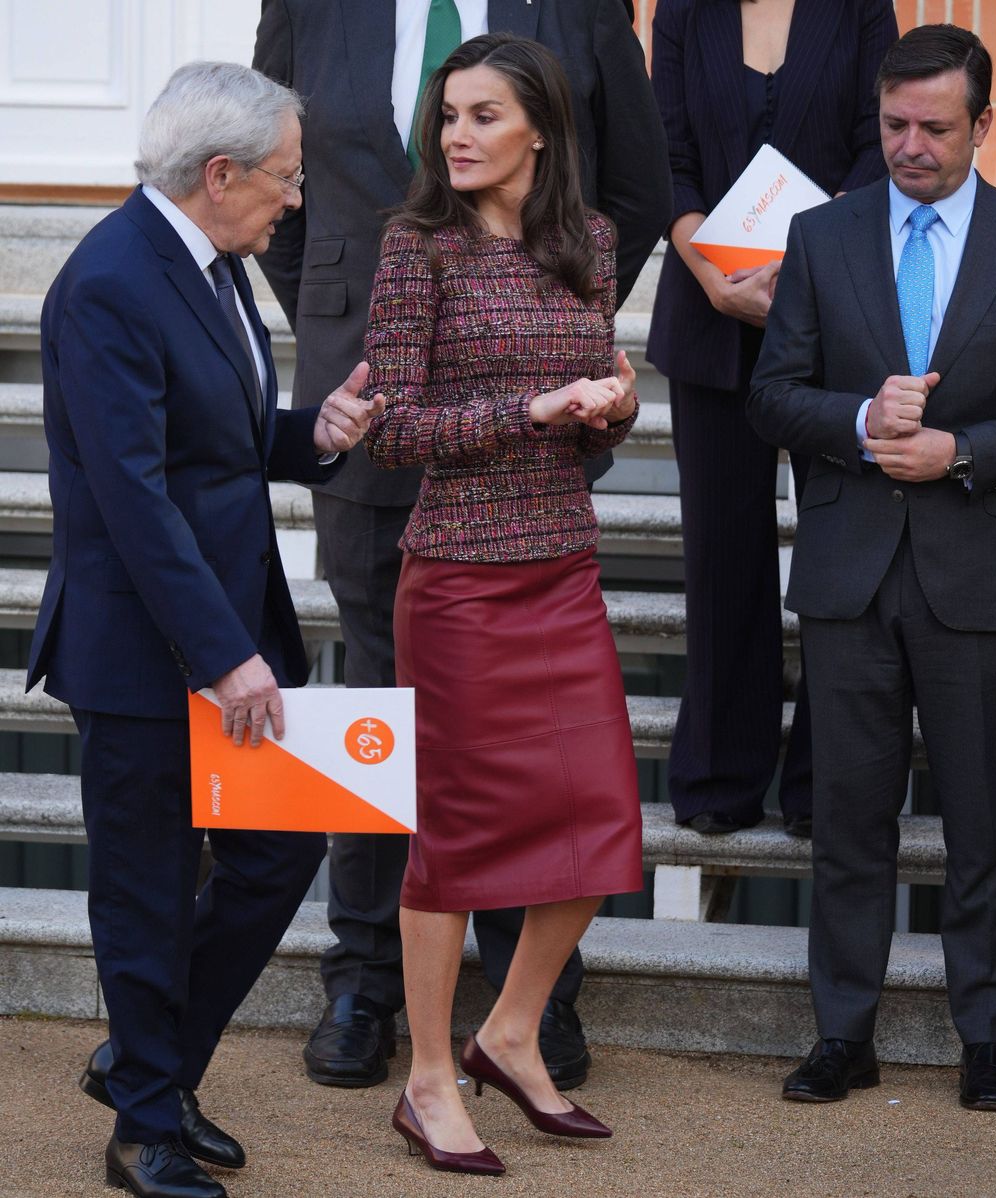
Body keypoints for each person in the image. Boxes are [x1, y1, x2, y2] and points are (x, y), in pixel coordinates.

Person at [252, 0, 671, 1094]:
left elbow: (633, 178)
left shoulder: (577, 10)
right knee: (382, 704)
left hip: (528, 456)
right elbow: (279, 184)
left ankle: (529, 994)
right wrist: (360, 311)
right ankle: (363, 978)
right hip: (371, 368)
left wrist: (541, 322)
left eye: (482, 114)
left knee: (530, 737)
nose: (460, 129)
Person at [26, 62, 382, 1198]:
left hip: (228, 627)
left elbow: (212, 439)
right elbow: (132, 497)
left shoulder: (214, 263)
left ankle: (151, 1064)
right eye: (284, 176)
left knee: (280, 852)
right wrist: (224, 655)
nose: (294, 198)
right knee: (146, 882)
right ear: (218, 174)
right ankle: (143, 1126)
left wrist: (312, 433)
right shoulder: (110, 282)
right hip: (145, 649)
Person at [360, 33, 643, 1175]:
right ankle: (428, 1076)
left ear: (540, 129)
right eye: (449, 116)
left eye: (483, 115)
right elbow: (395, 432)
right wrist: (530, 410)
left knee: (599, 822)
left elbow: (593, 399)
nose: (457, 136)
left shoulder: (593, 244)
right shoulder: (413, 249)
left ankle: (510, 1032)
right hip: (461, 582)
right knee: (456, 838)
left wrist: (610, 408)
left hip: (561, 566)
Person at [749, 23, 996, 1110]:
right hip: (849, 571)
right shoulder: (821, 236)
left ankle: (986, 1040)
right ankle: (842, 1034)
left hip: (979, 571)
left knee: (981, 821)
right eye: (893, 123)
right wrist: (860, 419)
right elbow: (773, 393)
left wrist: (963, 449)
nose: (909, 145)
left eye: (934, 127)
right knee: (850, 820)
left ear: (983, 126)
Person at [647, 0, 898, 837]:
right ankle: (720, 774)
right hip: (711, 308)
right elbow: (667, 157)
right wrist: (709, 269)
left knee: (836, 554)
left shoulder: (860, 8)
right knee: (723, 554)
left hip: (837, 312)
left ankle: (825, 783)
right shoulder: (683, 11)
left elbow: (878, 144)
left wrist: (811, 267)